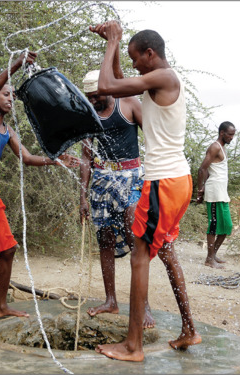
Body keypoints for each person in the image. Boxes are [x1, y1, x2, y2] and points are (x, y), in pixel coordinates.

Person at [89, 21, 202, 361]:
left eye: (136, 59)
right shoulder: (158, 81)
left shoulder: (165, 77)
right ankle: (189, 330)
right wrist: (115, 46)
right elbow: (121, 85)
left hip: (162, 182)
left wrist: (113, 40)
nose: (134, 65)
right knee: (164, 250)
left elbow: (107, 84)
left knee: (140, 257)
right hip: (176, 180)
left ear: (151, 54)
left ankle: (133, 345)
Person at [0, 51, 80, 342]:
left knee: (8, 249)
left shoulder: (6, 130)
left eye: (12, 96)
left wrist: (56, 160)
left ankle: (0, 305)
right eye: (6, 94)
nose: (10, 99)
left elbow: (28, 158)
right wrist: (16, 65)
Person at [79, 69, 155, 328]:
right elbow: (86, 157)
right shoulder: (88, 114)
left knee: (137, 240)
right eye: (89, 97)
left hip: (132, 176)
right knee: (105, 240)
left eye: (96, 96)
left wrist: (155, 176)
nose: (93, 102)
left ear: (107, 88)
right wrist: (82, 197)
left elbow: (153, 138)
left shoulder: (130, 104)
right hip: (102, 180)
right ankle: (111, 300)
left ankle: (143, 306)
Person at [196, 121, 236, 269]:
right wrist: (200, 190)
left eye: (233, 135)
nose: (232, 137)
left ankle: (213, 255)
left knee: (227, 226)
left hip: (221, 192)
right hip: (214, 192)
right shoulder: (215, 147)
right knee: (213, 225)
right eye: (230, 134)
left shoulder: (222, 148)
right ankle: (209, 259)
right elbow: (202, 169)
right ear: (222, 133)